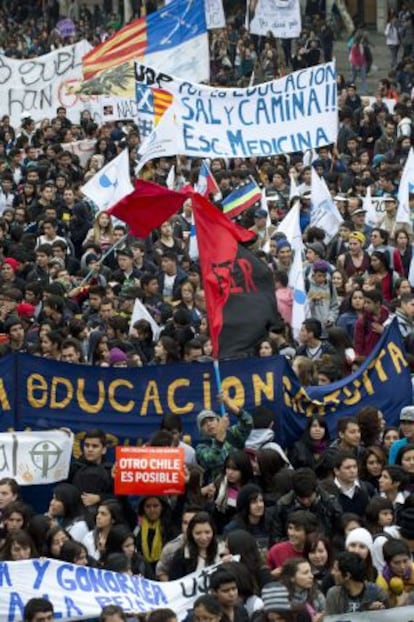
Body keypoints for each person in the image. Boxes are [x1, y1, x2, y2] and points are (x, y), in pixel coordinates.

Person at [195, 393, 253, 484]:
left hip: (241, 485)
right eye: (204, 423)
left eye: (211, 420)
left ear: (219, 420)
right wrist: (220, 434)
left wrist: (229, 404)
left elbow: (248, 422)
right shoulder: (201, 448)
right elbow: (212, 459)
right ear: (201, 430)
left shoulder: (232, 433)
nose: (209, 424)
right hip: (220, 489)